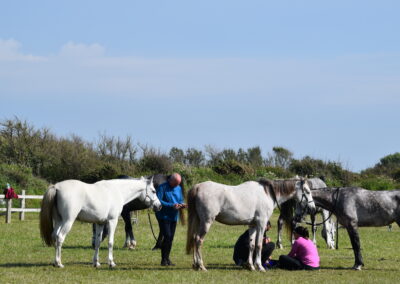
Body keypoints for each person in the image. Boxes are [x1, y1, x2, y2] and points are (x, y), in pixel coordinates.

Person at [155, 173, 186, 266]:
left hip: (173, 216)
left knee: (171, 238)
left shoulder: (178, 188)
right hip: (163, 216)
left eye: (178, 184)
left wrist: (182, 204)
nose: (176, 185)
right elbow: (158, 200)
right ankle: (163, 260)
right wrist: (171, 205)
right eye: (175, 183)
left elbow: (180, 199)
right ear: (170, 180)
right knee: (167, 236)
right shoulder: (161, 187)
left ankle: (167, 259)